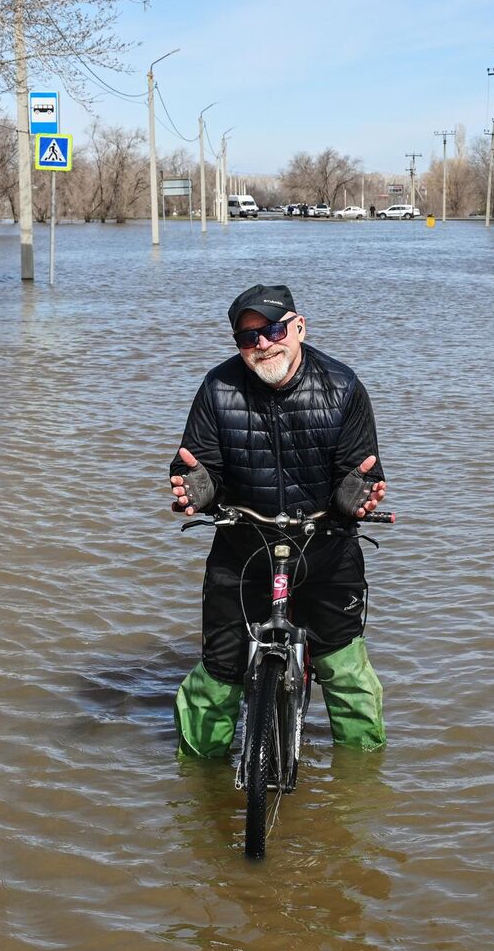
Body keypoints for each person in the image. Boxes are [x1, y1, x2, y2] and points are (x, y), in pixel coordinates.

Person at [167, 284, 389, 758]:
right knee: (217, 676)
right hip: (241, 549)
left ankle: (361, 789)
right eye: (248, 339)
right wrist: (198, 489)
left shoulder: (344, 387)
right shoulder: (216, 388)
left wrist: (356, 499)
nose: (263, 344)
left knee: (346, 673)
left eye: (271, 330)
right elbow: (195, 464)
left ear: (298, 327)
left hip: (326, 549)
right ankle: (199, 789)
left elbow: (364, 471)